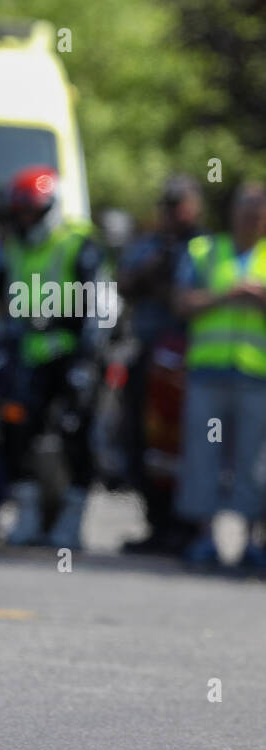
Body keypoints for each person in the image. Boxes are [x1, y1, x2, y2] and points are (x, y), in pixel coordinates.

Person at [0, 165, 106, 549]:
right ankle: (28, 517)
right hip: (25, 359)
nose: (25, 218)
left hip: (68, 357)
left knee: (74, 435)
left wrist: (87, 359)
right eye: (21, 211)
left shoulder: (79, 243)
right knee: (17, 433)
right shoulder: (15, 244)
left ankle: (71, 524)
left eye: (32, 210)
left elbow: (99, 305)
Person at [173, 182, 266, 569]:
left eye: (257, 213)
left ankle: (252, 543)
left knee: (254, 462)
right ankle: (204, 538)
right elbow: (181, 302)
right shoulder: (205, 251)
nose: (250, 219)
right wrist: (226, 296)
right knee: (203, 456)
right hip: (208, 375)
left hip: (257, 378)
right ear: (232, 213)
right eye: (245, 211)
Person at [115, 175, 204, 554]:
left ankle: (186, 529)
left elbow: (188, 298)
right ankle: (156, 524)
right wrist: (156, 267)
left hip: (188, 360)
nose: (172, 213)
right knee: (141, 441)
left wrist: (170, 285)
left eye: (179, 204)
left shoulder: (206, 247)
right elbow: (125, 282)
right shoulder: (149, 244)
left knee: (182, 446)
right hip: (147, 355)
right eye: (166, 206)